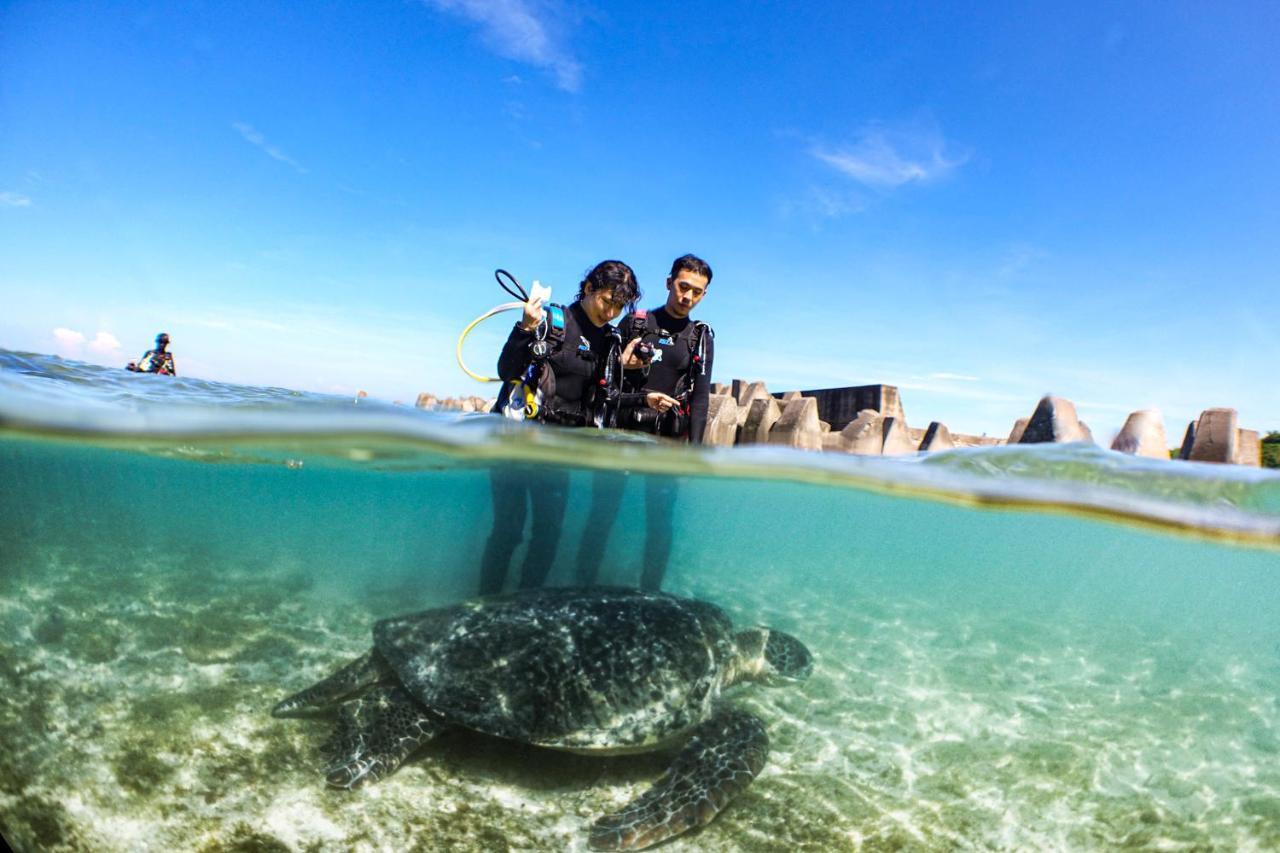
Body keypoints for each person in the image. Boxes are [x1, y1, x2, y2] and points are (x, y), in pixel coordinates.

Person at [479, 260, 639, 596]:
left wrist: (644, 395)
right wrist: (524, 329)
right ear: (588, 289)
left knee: (548, 532)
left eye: (619, 306)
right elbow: (506, 368)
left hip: (559, 449)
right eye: (607, 301)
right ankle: (485, 602)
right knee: (508, 529)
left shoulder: (609, 344)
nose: (611, 312)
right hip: (515, 442)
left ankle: (526, 605)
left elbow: (607, 399)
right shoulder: (551, 322)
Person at [575, 254, 715, 591]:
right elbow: (606, 385)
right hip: (623, 433)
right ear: (669, 283)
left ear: (704, 295)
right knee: (602, 514)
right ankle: (583, 589)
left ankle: (649, 593)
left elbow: (700, 398)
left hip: (665, 442)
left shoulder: (699, 336)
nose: (688, 297)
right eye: (683, 287)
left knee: (660, 523)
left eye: (697, 292)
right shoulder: (635, 324)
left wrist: (693, 453)